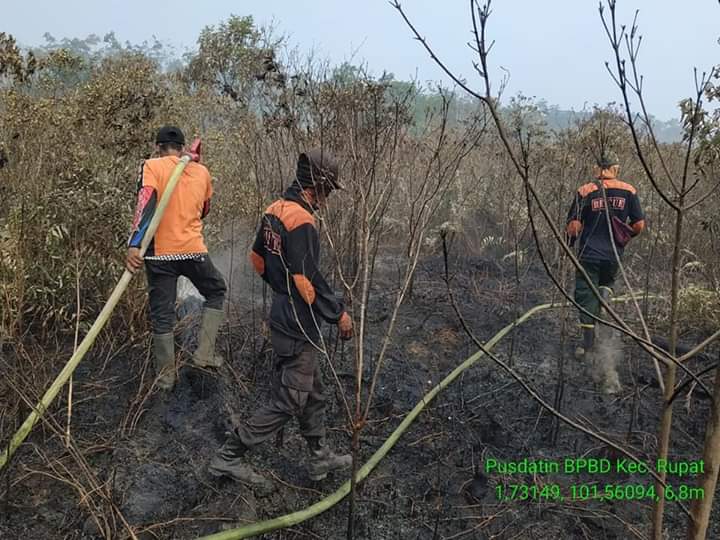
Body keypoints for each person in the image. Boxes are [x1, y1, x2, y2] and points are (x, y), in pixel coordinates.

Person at [209, 148, 353, 485]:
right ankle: (228, 457)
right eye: (328, 190)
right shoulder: (302, 219)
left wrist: (280, 288)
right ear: (315, 186)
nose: (327, 198)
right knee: (289, 401)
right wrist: (338, 314)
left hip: (281, 314)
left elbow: (257, 259)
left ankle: (319, 457)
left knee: (312, 389)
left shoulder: (274, 210)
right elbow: (306, 279)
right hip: (298, 324)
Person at [126, 126, 227, 391]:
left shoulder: (151, 165)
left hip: (159, 254)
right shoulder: (202, 171)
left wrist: (134, 245)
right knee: (216, 291)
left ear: (158, 147)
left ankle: (166, 379)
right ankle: (204, 354)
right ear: (182, 148)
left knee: (162, 315)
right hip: (192, 251)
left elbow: (145, 204)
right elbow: (204, 210)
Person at [566, 152, 645, 380]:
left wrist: (570, 242)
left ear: (596, 168)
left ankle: (589, 347)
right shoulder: (629, 191)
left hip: (588, 254)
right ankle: (605, 296)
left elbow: (574, 226)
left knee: (585, 297)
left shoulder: (585, 191)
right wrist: (625, 235)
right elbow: (639, 225)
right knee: (606, 283)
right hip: (613, 255)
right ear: (615, 168)